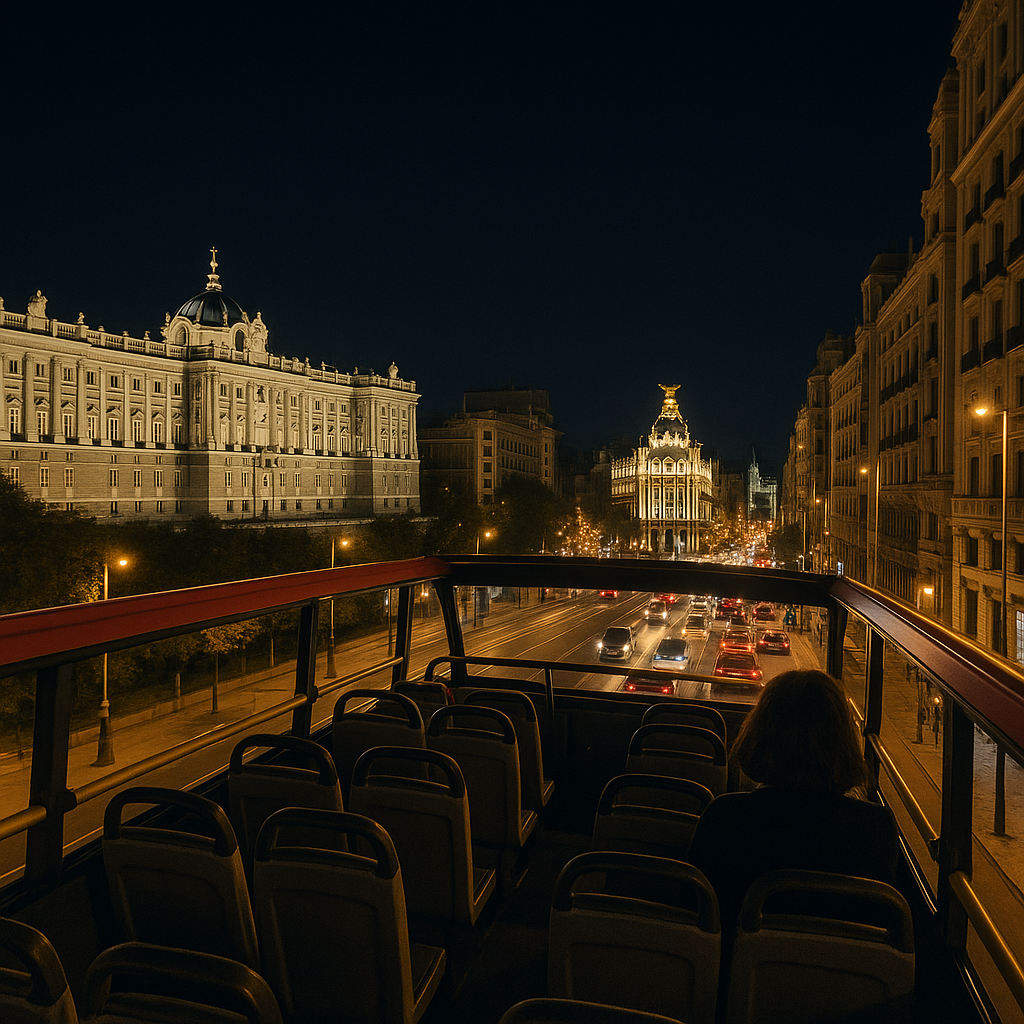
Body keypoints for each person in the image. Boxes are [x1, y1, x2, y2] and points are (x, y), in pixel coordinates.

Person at [688, 669, 899, 926]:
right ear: (843, 742)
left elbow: (695, 912)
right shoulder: (875, 827)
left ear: (759, 737)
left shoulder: (724, 817)